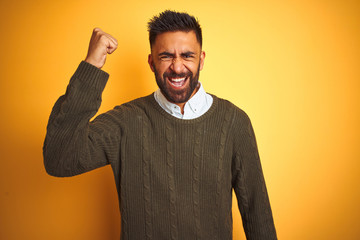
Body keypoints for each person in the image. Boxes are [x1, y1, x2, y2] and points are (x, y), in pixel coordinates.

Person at [43, 10, 277, 240]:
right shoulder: (126, 121)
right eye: (166, 56)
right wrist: (90, 67)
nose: (177, 67)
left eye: (187, 55)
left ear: (201, 60)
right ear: (151, 62)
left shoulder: (234, 122)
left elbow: (257, 215)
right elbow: (58, 158)